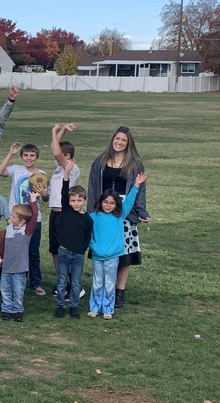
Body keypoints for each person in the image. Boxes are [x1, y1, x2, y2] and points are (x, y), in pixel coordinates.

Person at [87, 126, 149, 309]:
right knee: (103, 251)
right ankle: (102, 291)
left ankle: (119, 291)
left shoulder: (136, 164)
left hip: (124, 212)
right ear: (112, 139)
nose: (119, 142)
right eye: (117, 138)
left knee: (123, 253)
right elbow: (92, 187)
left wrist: (141, 211)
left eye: (123, 140)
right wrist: (92, 210)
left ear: (129, 143)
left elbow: (140, 190)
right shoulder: (100, 161)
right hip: (102, 211)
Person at [88, 171, 147, 319]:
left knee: (109, 283)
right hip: (97, 255)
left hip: (113, 256)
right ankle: (95, 307)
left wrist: (137, 185)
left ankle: (108, 309)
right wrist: (93, 246)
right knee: (97, 282)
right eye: (106, 202)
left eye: (112, 203)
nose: (108, 205)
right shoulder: (93, 217)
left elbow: (129, 202)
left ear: (116, 205)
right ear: (101, 202)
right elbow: (88, 235)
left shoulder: (119, 216)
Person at [0, 142, 48, 296]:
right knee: (14, 250)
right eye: (25, 155)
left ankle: (36, 282)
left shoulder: (41, 173)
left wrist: (44, 192)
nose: (29, 158)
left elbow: (45, 199)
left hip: (33, 219)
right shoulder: (16, 169)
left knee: (33, 251)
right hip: (16, 219)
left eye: (32, 155)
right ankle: (15, 278)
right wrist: (10, 153)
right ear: (21, 156)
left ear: (37, 157)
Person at [53, 160, 93, 319]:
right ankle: (60, 306)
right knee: (62, 281)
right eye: (73, 200)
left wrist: (82, 248)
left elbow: (87, 237)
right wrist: (67, 173)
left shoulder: (88, 219)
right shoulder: (66, 211)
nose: (76, 203)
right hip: (63, 252)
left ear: (85, 201)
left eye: (79, 200)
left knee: (76, 282)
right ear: (68, 202)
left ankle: (74, 307)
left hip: (78, 255)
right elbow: (64, 191)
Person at [48, 123, 81, 295]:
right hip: (54, 213)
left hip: (64, 213)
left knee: (65, 251)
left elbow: (55, 151)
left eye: (60, 155)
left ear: (67, 156)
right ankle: (62, 282)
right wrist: (63, 130)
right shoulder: (56, 171)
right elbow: (55, 148)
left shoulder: (72, 168)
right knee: (55, 250)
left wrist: (54, 131)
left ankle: (72, 283)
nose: (55, 158)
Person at [0, 194, 39, 322]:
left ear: (22, 221)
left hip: (20, 267)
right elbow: (4, 244)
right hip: (7, 266)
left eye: (14, 216)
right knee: (5, 289)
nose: (11, 217)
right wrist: (1, 256)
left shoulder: (26, 231)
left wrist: (33, 201)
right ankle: (6, 309)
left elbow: (34, 217)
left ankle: (17, 310)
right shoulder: (9, 228)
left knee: (18, 290)